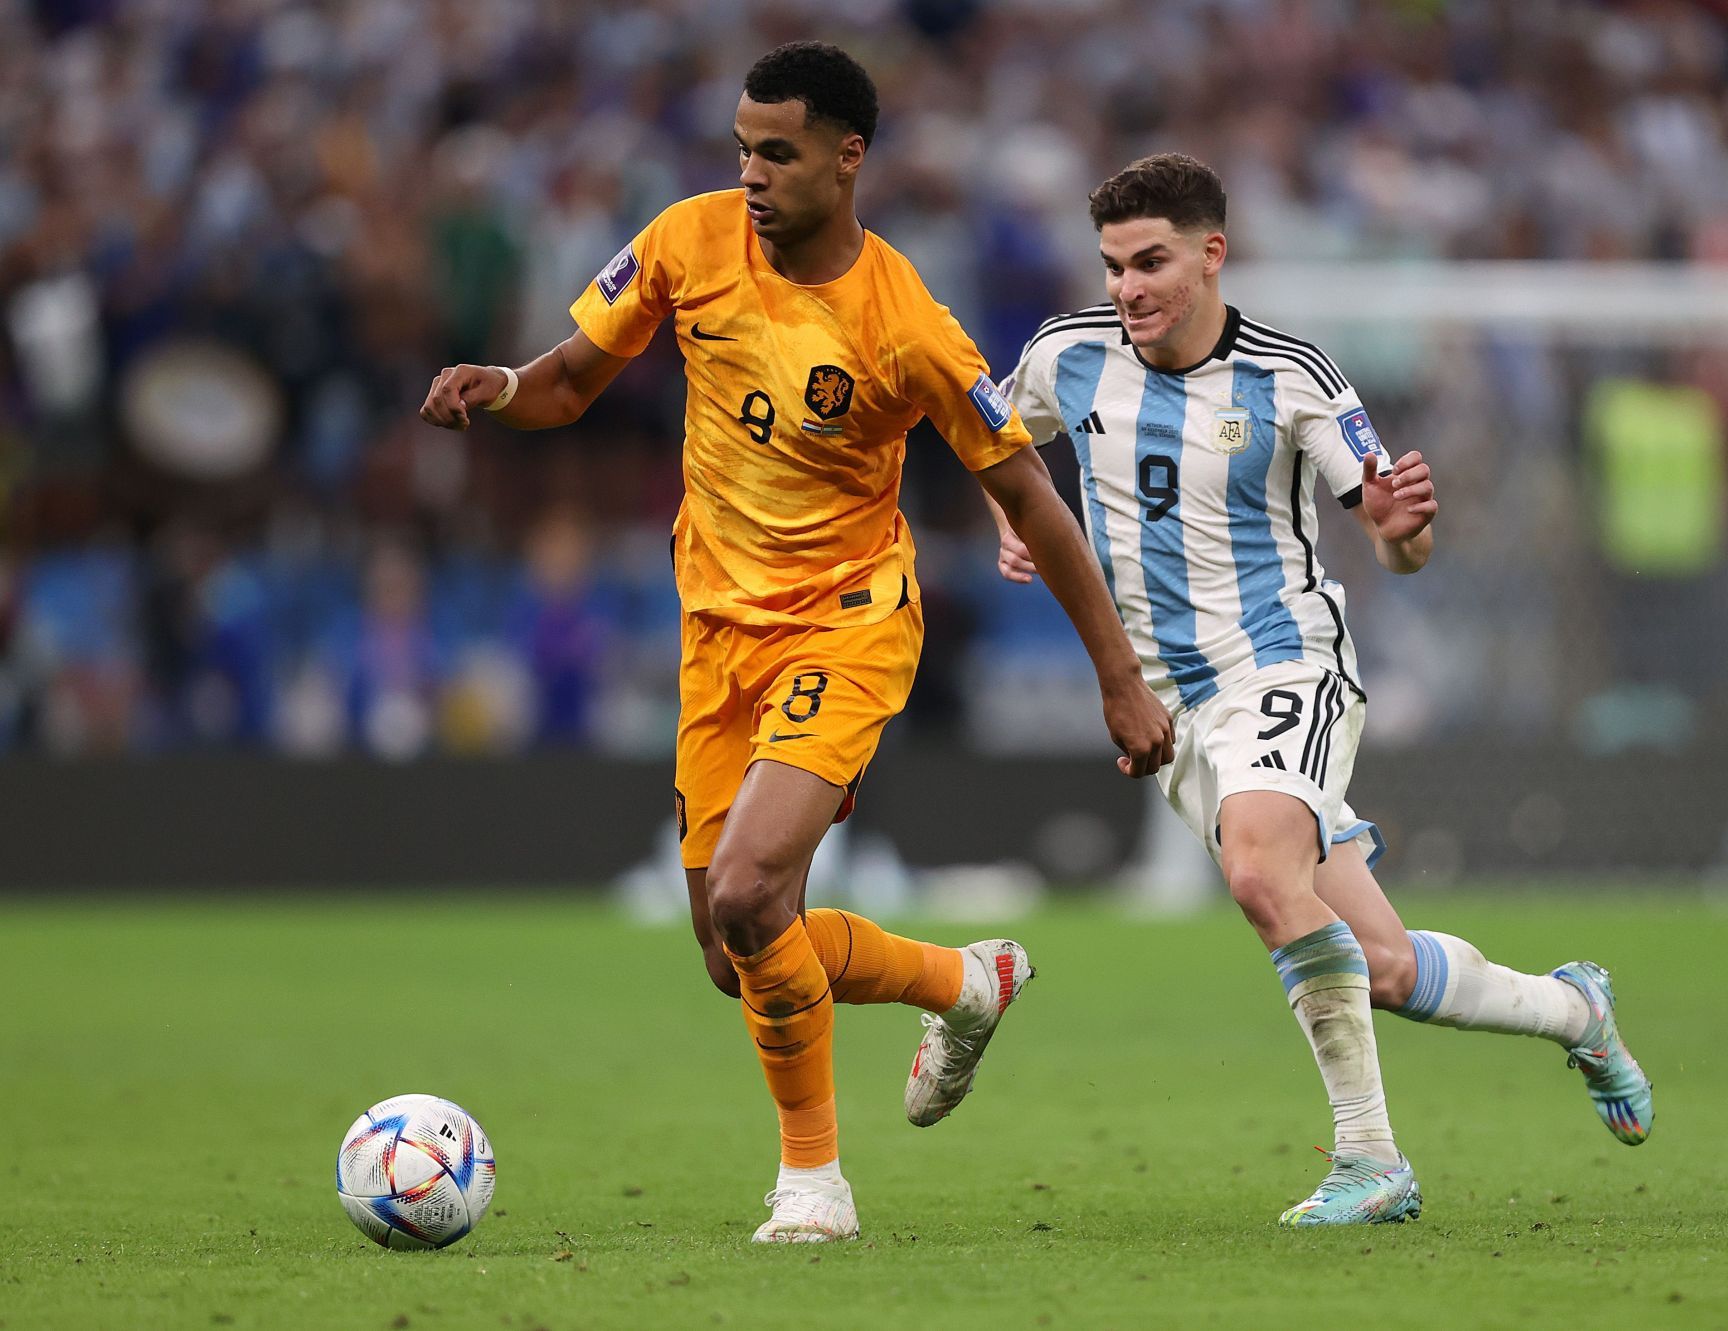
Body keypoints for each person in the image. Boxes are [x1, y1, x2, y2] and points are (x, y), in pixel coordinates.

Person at [419, 43, 1173, 1244]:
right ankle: (965, 982)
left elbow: (1033, 497)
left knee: (752, 887)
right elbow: (568, 382)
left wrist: (1120, 681)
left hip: (849, 622)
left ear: (846, 156)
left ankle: (813, 1182)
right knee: (736, 947)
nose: (752, 174)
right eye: (742, 149)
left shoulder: (909, 322)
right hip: (716, 632)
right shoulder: (686, 242)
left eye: (777, 152)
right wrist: (499, 383)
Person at [989, 153, 1653, 1227]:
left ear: (1212, 254)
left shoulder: (1294, 374)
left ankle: (1371, 1160)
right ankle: (1579, 1008)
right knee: (1383, 966)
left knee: (1258, 871)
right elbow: (1002, 452)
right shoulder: (1065, 356)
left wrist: (1406, 533)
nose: (1127, 289)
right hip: (1173, 706)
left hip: (1283, 665)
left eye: (1149, 261)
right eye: (1112, 266)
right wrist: (1011, 527)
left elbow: (1400, 542)